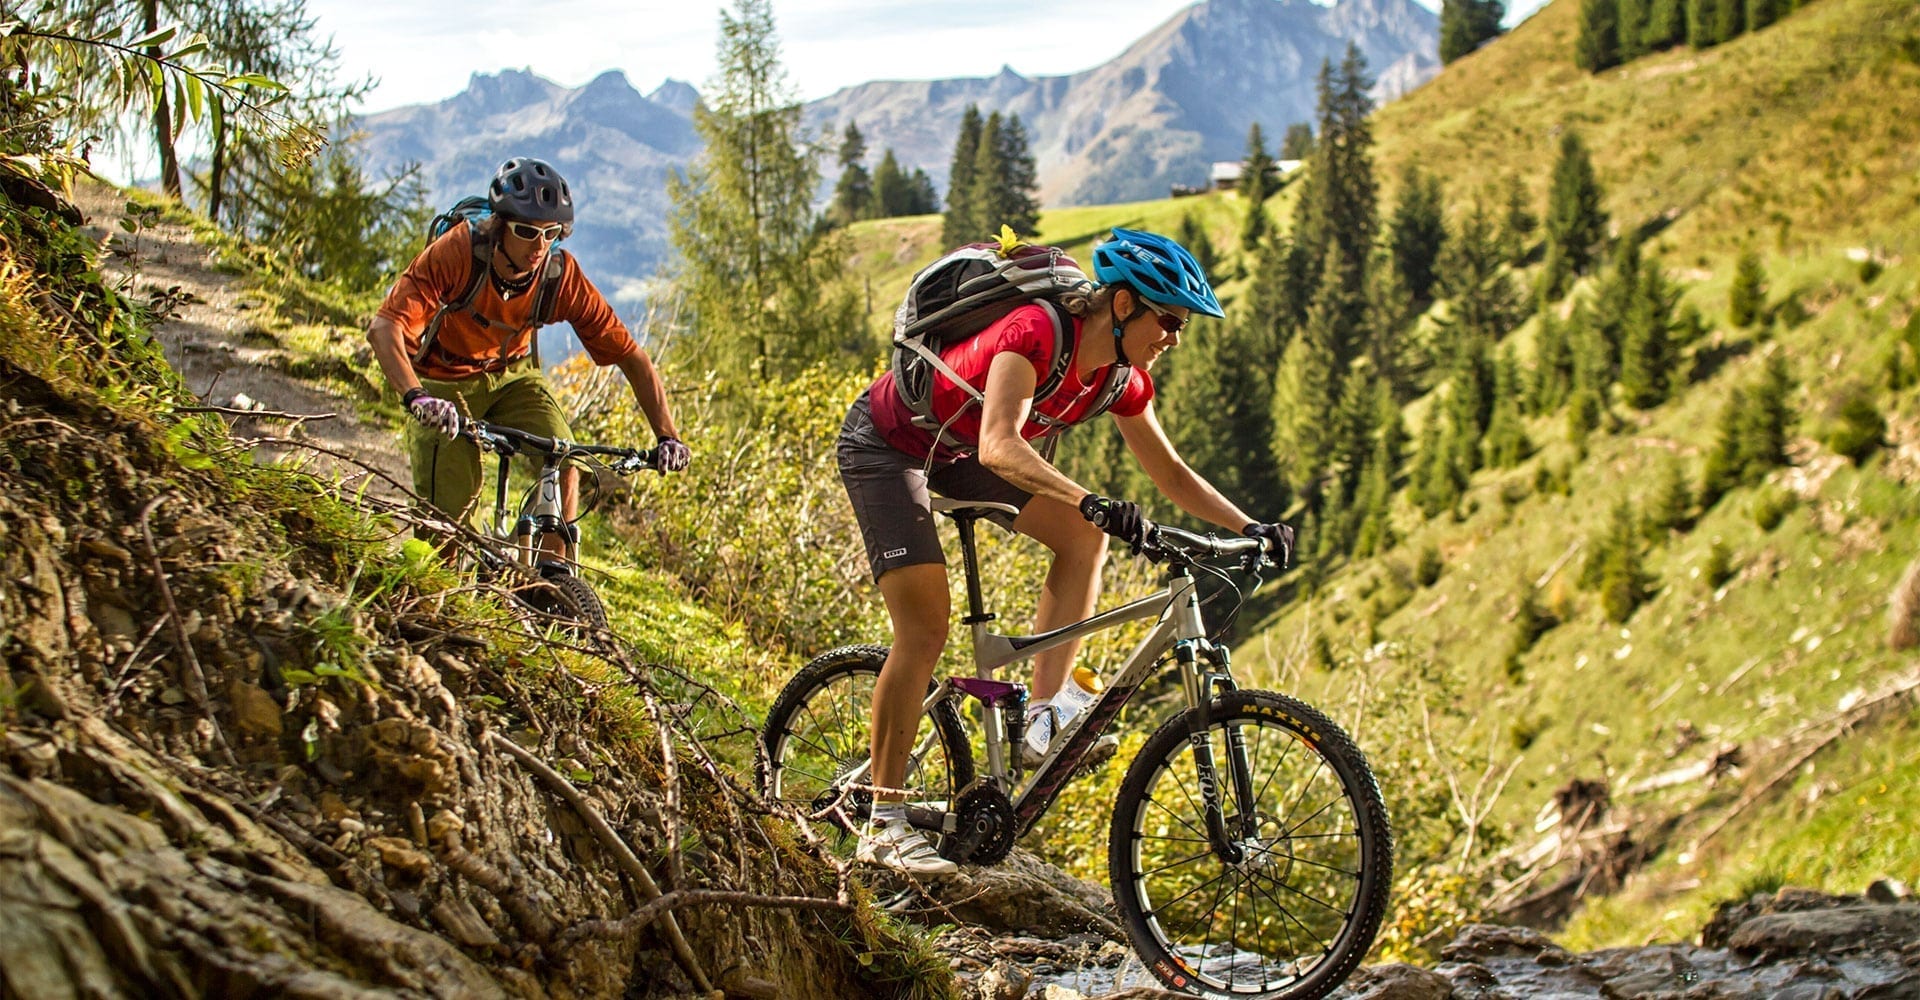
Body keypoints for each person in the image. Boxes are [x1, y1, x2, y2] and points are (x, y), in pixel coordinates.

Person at [837, 228, 1295, 874]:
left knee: (1086, 537)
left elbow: (1170, 474)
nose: (1175, 337)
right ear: (1124, 306)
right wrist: (1087, 496)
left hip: (959, 451)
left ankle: (1043, 714)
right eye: (1168, 319)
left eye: (1183, 325)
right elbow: (1001, 443)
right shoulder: (1038, 333)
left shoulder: (1119, 379)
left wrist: (1251, 526)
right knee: (924, 628)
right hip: (890, 446)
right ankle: (882, 824)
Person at [367, 157, 688, 556]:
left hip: (513, 379)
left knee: (566, 460)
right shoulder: (458, 252)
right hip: (442, 382)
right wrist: (417, 396)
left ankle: (552, 584)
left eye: (551, 233)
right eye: (526, 231)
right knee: (447, 523)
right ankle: (435, 603)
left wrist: (667, 436)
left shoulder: (558, 274)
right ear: (499, 225)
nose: (540, 245)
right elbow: (384, 328)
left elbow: (630, 355)